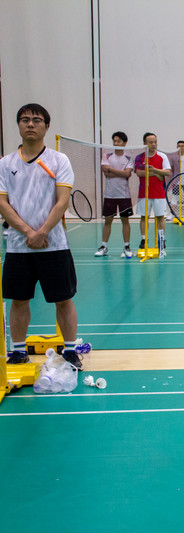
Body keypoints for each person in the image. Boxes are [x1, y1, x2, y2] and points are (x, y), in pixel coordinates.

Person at [0, 103, 82, 369]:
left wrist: (42, 232)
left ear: (46, 126)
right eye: (25, 119)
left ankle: (70, 350)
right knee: (18, 299)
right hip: (18, 246)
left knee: (63, 299)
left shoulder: (59, 160)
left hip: (54, 245)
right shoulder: (5, 164)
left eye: (36, 120)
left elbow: (62, 201)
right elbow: (2, 203)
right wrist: (29, 233)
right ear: (18, 125)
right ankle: (17, 351)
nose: (30, 124)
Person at [95, 131, 134, 258]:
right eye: (114, 141)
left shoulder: (129, 157)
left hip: (124, 195)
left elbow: (127, 174)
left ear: (125, 143)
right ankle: (104, 246)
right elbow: (106, 173)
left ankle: (127, 246)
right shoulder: (107, 156)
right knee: (108, 221)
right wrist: (120, 172)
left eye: (118, 141)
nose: (116, 143)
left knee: (125, 221)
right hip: (110, 194)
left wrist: (111, 169)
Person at [134, 132, 171, 257]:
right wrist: (157, 174)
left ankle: (161, 240)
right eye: (150, 142)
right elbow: (139, 173)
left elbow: (167, 172)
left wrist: (154, 170)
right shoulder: (139, 157)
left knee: (160, 217)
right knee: (144, 217)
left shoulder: (162, 156)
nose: (153, 144)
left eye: (155, 142)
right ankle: (144, 240)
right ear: (145, 143)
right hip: (144, 193)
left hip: (159, 193)